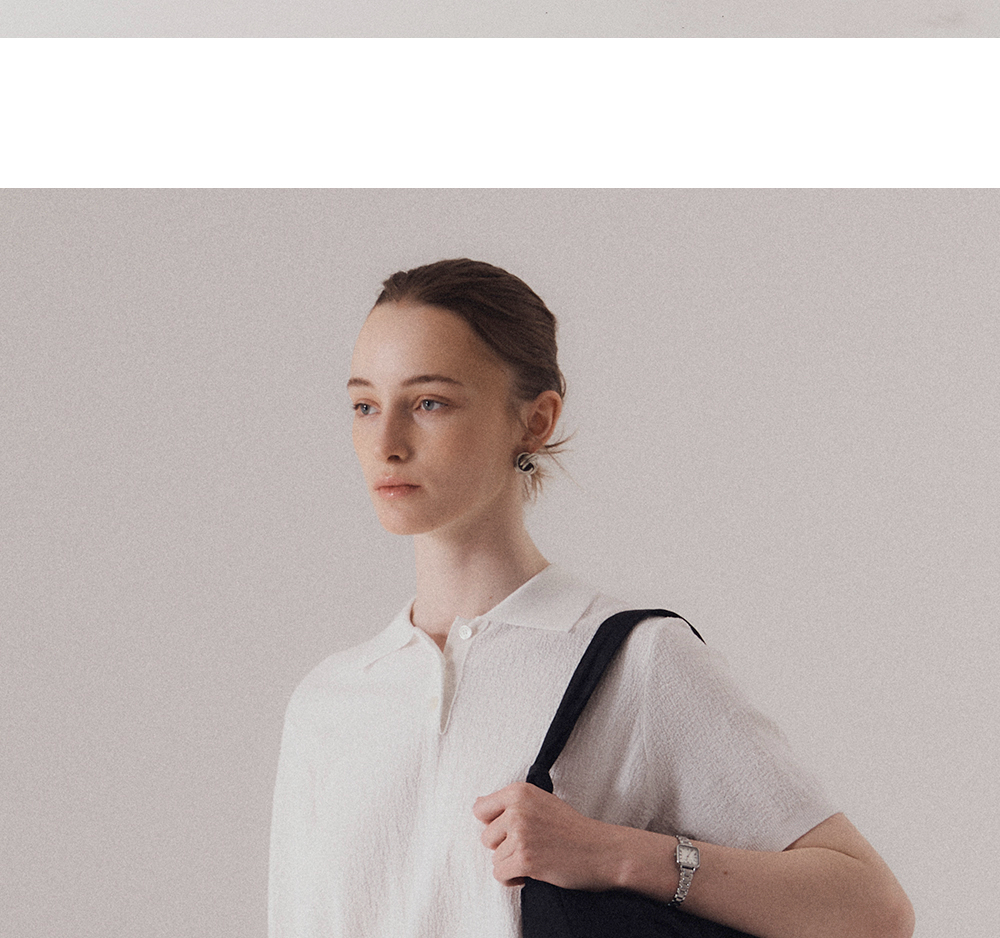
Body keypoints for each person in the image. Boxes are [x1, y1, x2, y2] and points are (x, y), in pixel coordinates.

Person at [268, 248, 915, 932]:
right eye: (365, 405)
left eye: (430, 402)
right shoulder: (329, 701)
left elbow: (873, 910)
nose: (387, 442)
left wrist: (616, 854)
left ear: (536, 420)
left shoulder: (637, 661)